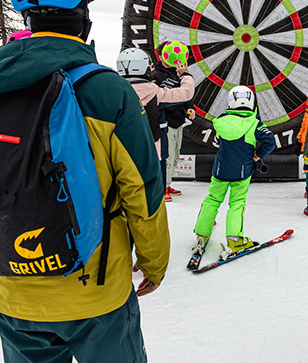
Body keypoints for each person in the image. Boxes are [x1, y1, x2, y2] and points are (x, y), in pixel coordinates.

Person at [0, 0, 170, 363]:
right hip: (97, 294)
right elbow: (142, 191)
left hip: (13, 291)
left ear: (26, 17)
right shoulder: (107, 91)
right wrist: (153, 262)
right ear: (83, 15)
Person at [192, 85, 276, 259]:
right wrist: (258, 156)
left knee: (212, 200)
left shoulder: (221, 122)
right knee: (237, 203)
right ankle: (234, 240)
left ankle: (201, 235)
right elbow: (270, 141)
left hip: (220, 170)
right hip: (242, 172)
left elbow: (218, 140)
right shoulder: (254, 124)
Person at [116, 46, 194, 158]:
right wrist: (185, 75)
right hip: (153, 152)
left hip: (121, 153)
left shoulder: (111, 91)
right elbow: (186, 93)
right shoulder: (154, 92)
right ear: (146, 68)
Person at [151, 40, 196, 201]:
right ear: (163, 54)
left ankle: (168, 183)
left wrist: (190, 108)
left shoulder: (178, 73)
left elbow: (185, 96)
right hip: (165, 123)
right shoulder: (155, 75)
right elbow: (155, 99)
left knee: (176, 154)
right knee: (166, 156)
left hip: (179, 120)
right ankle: (162, 188)